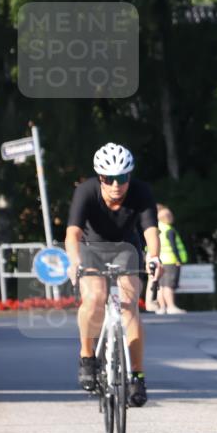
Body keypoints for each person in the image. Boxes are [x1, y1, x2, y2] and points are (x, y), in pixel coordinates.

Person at [66, 143, 163, 407]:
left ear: (130, 176)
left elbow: (150, 230)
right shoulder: (86, 191)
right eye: (109, 179)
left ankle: (137, 376)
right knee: (95, 298)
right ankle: (87, 357)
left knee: (130, 306)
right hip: (91, 249)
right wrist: (74, 261)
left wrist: (154, 256)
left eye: (122, 178)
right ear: (100, 178)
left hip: (125, 249)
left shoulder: (141, 192)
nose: (116, 185)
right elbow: (73, 233)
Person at [145, 204, 188, 314]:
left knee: (161, 285)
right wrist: (178, 259)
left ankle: (162, 307)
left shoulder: (156, 229)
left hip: (159, 260)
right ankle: (171, 306)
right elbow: (174, 247)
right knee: (168, 286)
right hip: (170, 260)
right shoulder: (169, 230)